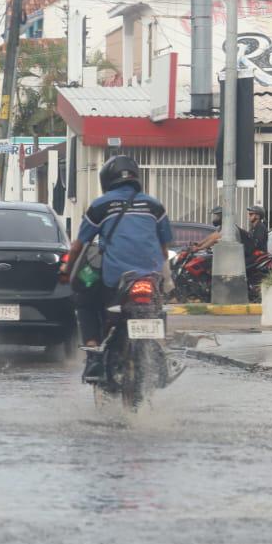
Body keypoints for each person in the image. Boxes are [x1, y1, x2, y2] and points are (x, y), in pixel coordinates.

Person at [59, 155, 172, 382]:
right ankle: (162, 354)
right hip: (151, 278)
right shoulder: (154, 206)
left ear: (106, 180)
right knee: (157, 309)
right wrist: (165, 278)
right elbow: (164, 247)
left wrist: (66, 271)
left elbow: (79, 245)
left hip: (116, 279)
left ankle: (93, 357)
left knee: (85, 300)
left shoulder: (101, 206)